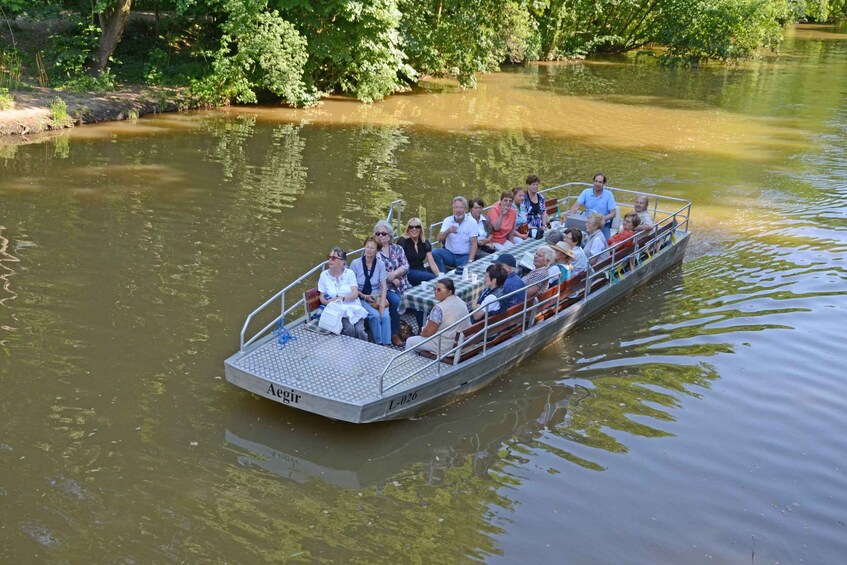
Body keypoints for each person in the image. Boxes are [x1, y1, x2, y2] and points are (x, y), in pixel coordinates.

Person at [405, 278, 471, 356]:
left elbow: (427, 332)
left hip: (445, 346)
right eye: (435, 289)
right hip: (463, 342)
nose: (435, 292)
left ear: (449, 292)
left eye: (439, 290)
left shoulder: (439, 309)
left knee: (410, 341)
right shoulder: (460, 301)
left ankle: (408, 365)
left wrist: (421, 333)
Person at [373, 220, 411, 347]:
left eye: (383, 233)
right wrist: (390, 278)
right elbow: (381, 273)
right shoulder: (374, 252)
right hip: (385, 288)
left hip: (402, 283)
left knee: (417, 297)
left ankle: (423, 329)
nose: (380, 236)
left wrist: (394, 274)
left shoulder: (398, 249)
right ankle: (394, 333)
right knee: (395, 301)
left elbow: (406, 265)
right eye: (377, 234)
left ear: (390, 235)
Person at [317, 246, 368, 341]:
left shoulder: (349, 273)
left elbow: (355, 294)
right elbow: (322, 298)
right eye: (329, 257)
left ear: (342, 262)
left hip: (354, 307)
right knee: (350, 329)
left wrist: (341, 298)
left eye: (333, 258)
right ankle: (350, 351)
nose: (329, 260)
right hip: (338, 309)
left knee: (360, 330)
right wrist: (330, 303)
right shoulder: (324, 275)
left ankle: (363, 351)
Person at [350, 236, 392, 345]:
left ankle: (386, 343)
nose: (369, 250)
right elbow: (351, 286)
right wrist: (364, 296)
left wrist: (382, 304)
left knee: (385, 316)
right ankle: (378, 342)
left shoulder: (380, 264)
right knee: (375, 316)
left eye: (372, 248)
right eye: (367, 247)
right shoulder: (355, 263)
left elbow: (383, 286)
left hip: (375, 295)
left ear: (377, 250)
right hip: (360, 296)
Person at [432, 196, 478, 272]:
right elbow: (439, 239)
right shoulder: (447, 220)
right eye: (456, 207)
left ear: (465, 209)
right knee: (434, 252)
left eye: (461, 207)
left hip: (464, 256)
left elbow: (474, 243)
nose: (458, 210)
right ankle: (442, 275)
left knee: (462, 273)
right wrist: (448, 231)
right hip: (449, 254)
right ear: (453, 209)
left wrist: (470, 261)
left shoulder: (472, 222)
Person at [569, 173, 617, 239]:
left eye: (600, 182)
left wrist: (599, 221)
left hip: (603, 224)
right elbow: (576, 206)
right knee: (575, 238)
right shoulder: (586, 192)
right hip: (588, 223)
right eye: (596, 181)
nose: (597, 184)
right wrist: (570, 216)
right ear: (593, 182)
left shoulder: (609, 194)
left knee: (606, 243)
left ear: (604, 184)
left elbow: (613, 214)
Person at [398, 217, 441, 286]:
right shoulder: (402, 241)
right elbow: (398, 261)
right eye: (411, 227)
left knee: (437, 279)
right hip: (409, 271)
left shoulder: (425, 242)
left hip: (421, 269)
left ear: (421, 229)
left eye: (417, 227)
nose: (414, 229)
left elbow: (432, 263)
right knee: (432, 278)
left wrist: (440, 276)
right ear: (408, 229)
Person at [522, 174, 548, 238]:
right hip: (527, 227)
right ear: (528, 185)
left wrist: (544, 225)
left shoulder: (540, 197)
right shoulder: (523, 198)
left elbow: (543, 212)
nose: (536, 186)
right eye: (533, 184)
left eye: (537, 184)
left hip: (539, 226)